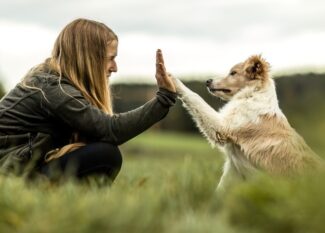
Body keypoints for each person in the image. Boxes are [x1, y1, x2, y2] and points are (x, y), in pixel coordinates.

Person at [0, 18, 177, 182]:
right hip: (10, 176)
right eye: (111, 58)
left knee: (99, 151)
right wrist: (163, 99)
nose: (115, 68)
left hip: (18, 169)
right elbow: (110, 130)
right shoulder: (54, 89)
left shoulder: (53, 82)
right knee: (105, 155)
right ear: (89, 58)